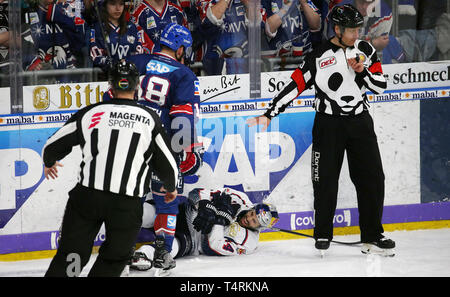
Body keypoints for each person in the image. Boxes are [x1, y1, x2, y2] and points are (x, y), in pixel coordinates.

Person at [246, 4, 395, 256]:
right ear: (337, 29)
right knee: (325, 181)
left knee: (372, 179)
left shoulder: (366, 50)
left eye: (358, 28)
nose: (356, 34)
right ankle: (323, 234)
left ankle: (372, 234)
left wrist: (362, 71)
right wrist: (269, 113)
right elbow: (295, 85)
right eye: (350, 30)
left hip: (360, 122)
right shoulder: (318, 55)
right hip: (328, 125)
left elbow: (380, 85)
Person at [42, 59, 179, 277]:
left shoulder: (91, 113)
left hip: (87, 198)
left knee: (73, 253)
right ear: (137, 87)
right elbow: (167, 163)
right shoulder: (149, 119)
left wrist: (49, 162)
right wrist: (171, 187)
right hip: (126, 203)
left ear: (110, 86)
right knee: (115, 257)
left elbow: (52, 145)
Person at [121, 23, 203, 272]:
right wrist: (183, 150)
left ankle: (121, 251)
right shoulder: (184, 74)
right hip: (162, 147)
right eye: (185, 49)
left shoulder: (134, 61)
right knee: (167, 203)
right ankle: (162, 254)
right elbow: (182, 117)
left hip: (129, 143)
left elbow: (112, 99)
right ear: (179, 49)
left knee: (126, 199)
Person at [129, 187, 279, 272]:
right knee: (148, 213)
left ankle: (143, 255)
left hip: (193, 240)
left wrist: (219, 220)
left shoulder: (249, 243)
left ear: (259, 227)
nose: (249, 218)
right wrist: (205, 205)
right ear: (253, 208)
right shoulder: (240, 199)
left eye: (254, 221)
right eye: (252, 214)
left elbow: (214, 246)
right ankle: (115, 216)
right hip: (187, 212)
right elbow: (198, 192)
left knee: (175, 244)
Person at [89, 0, 144, 74]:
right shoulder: (97, 27)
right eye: (113, 4)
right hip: (105, 78)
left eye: (121, 4)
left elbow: (139, 52)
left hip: (129, 76)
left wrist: (127, 64)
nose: (118, 8)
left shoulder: (131, 27)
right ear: (105, 5)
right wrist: (116, 64)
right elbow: (95, 55)